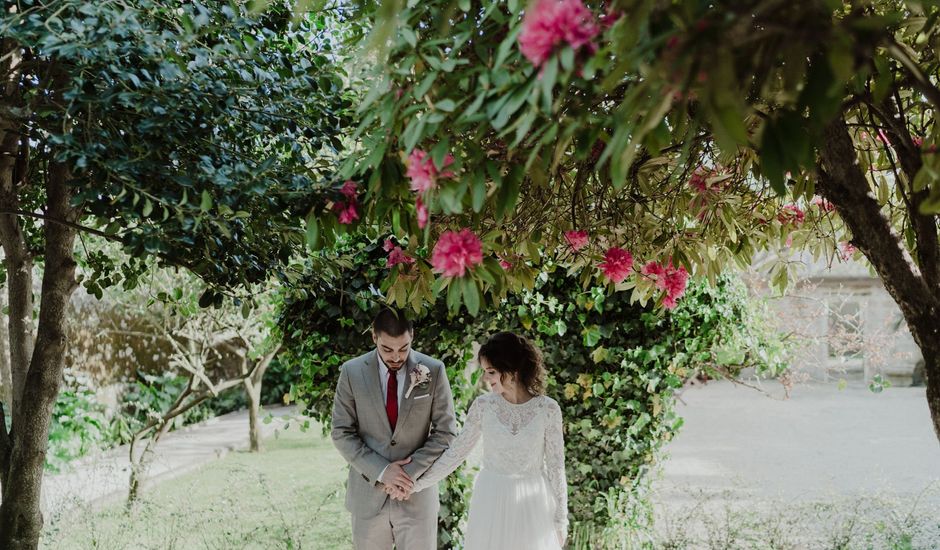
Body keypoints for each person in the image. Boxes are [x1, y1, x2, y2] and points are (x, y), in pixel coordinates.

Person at [401, 331, 569, 549]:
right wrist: (417, 483)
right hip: (492, 499)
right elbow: (456, 453)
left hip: (533, 501)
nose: (486, 379)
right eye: (484, 372)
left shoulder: (548, 409)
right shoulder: (483, 406)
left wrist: (561, 519)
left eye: (491, 372)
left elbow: (556, 466)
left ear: (513, 370)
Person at [331, 308, 457, 549]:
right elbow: (341, 431)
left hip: (416, 496)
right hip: (368, 497)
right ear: (374, 338)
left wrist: (407, 474)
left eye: (404, 348)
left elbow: (446, 432)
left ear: (412, 336)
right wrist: (382, 471)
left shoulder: (434, 370)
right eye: (387, 349)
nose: (396, 357)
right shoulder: (352, 371)